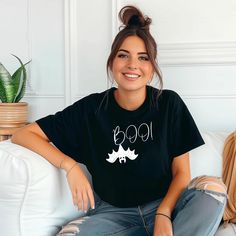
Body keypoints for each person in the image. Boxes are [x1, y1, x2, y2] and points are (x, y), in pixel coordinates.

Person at [12, 5, 228, 236]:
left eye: (143, 58)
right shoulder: (90, 110)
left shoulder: (169, 104)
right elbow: (23, 134)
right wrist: (70, 166)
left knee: (213, 190)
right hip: (113, 215)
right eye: (123, 55)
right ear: (112, 61)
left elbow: (182, 174)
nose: (132, 65)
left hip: (166, 207)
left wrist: (164, 213)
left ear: (152, 67)